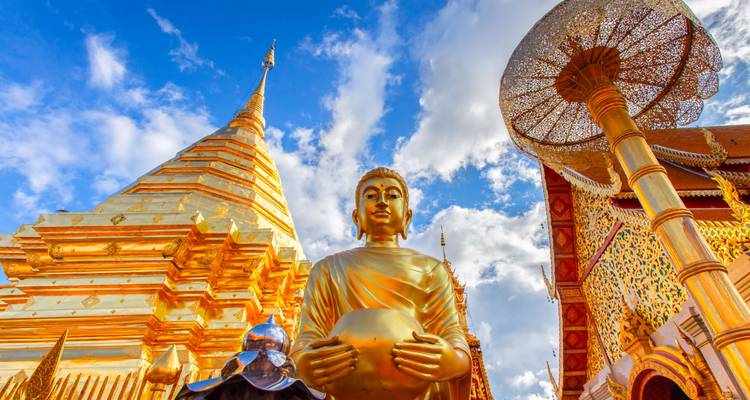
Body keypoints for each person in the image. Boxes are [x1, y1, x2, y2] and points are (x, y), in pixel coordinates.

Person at [290, 167, 471, 399]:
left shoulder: (431, 269)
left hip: (417, 391)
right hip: (345, 390)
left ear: (407, 216)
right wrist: (303, 362)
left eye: (393, 195)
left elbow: (449, 330)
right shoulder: (328, 268)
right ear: (357, 217)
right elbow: (309, 335)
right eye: (371, 195)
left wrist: (454, 360)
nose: (383, 202)